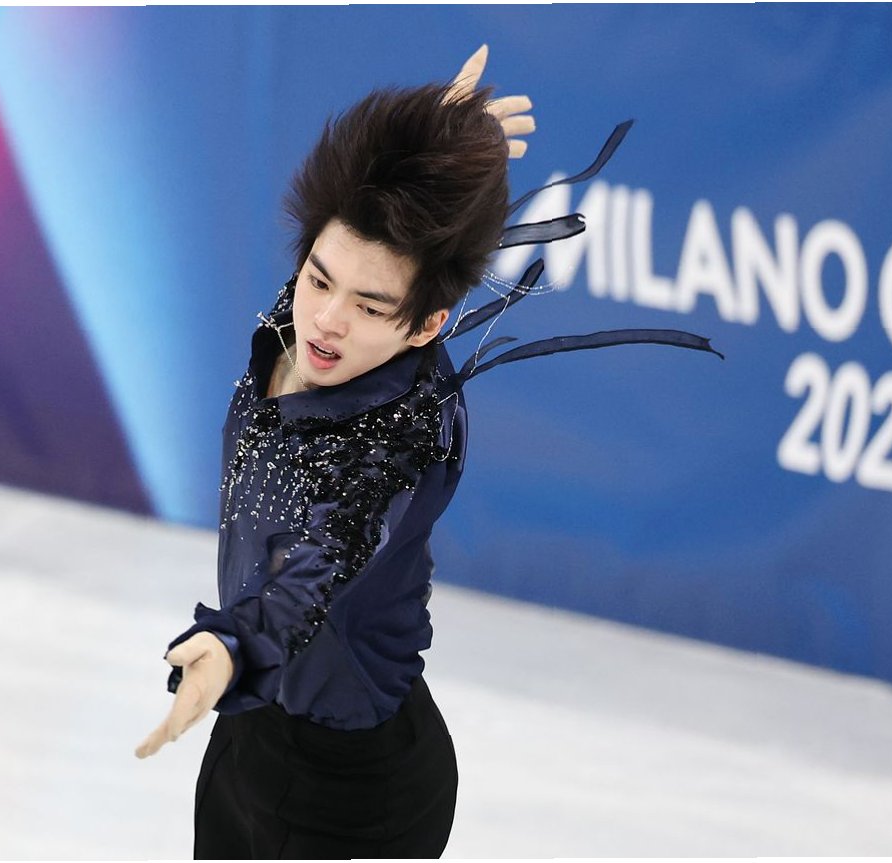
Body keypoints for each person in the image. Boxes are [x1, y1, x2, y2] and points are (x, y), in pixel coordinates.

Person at [134, 45, 722, 859]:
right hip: (249, 742)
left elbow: (315, 569)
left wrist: (233, 647)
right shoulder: (305, 322)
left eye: (369, 305)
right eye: (318, 279)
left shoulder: (396, 445)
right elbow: (354, 249)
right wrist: (429, 159)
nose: (327, 319)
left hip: (353, 797)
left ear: (427, 325)